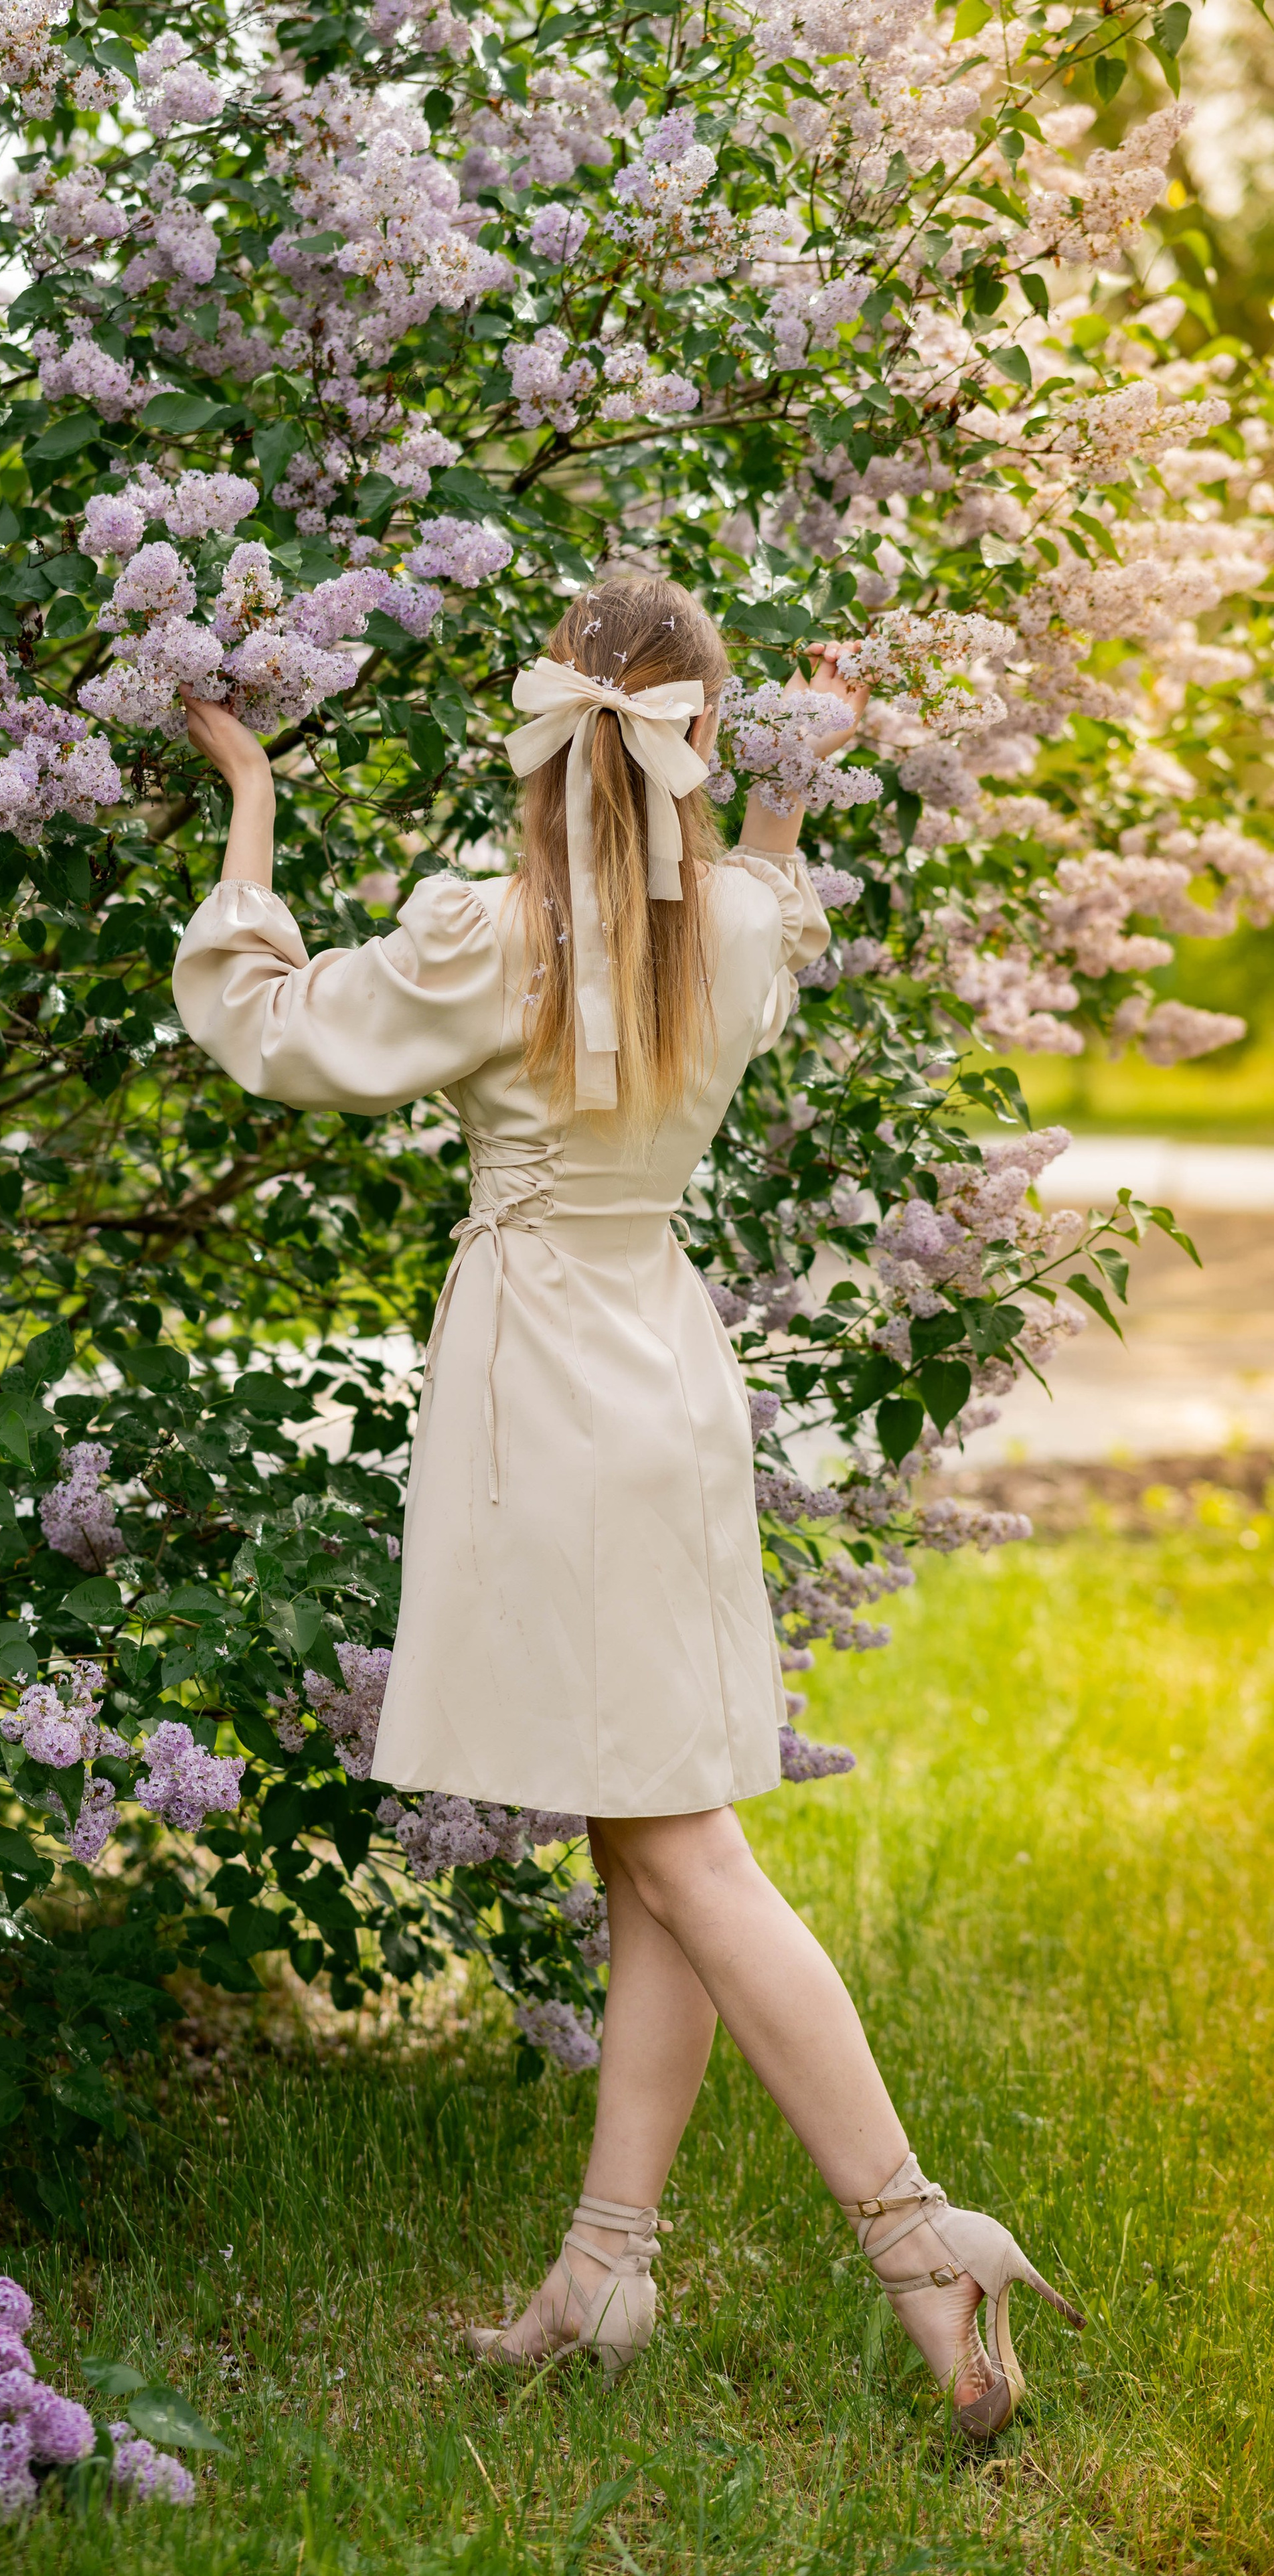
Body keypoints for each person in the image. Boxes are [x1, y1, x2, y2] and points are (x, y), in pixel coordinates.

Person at [171, 572, 1082, 2438]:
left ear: (546, 725)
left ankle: (923, 2240)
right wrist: (787, 782)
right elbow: (769, 874)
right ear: (697, 740)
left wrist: (250, 807)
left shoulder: (489, 934)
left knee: (679, 1850)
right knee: (643, 1830)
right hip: (666, 1372)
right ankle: (604, 2268)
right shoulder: (736, 924)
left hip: (542, 1393)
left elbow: (271, 1033)